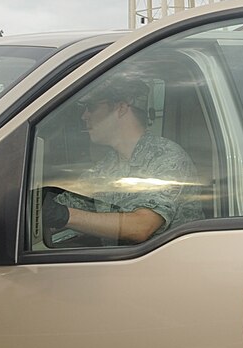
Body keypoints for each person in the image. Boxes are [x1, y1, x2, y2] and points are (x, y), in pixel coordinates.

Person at [43, 76, 202, 245]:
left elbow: (140, 227)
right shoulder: (107, 167)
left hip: (168, 268)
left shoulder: (166, 157)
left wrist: (63, 215)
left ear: (121, 108)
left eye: (91, 107)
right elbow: (64, 206)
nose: (84, 116)